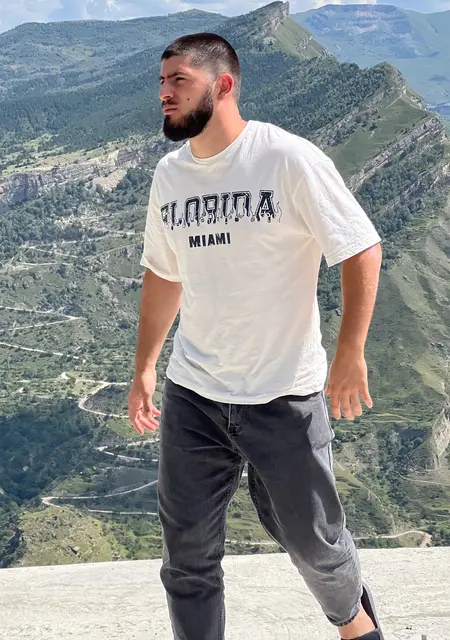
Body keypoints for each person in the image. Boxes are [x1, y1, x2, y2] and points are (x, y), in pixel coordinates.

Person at [128, 32, 384, 640]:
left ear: (222, 86)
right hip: (194, 394)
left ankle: (357, 627)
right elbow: (164, 274)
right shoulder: (170, 175)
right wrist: (144, 366)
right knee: (186, 557)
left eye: (179, 80)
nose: (164, 93)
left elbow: (360, 247)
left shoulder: (286, 159)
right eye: (162, 82)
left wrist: (350, 353)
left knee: (314, 543)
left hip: (282, 394)